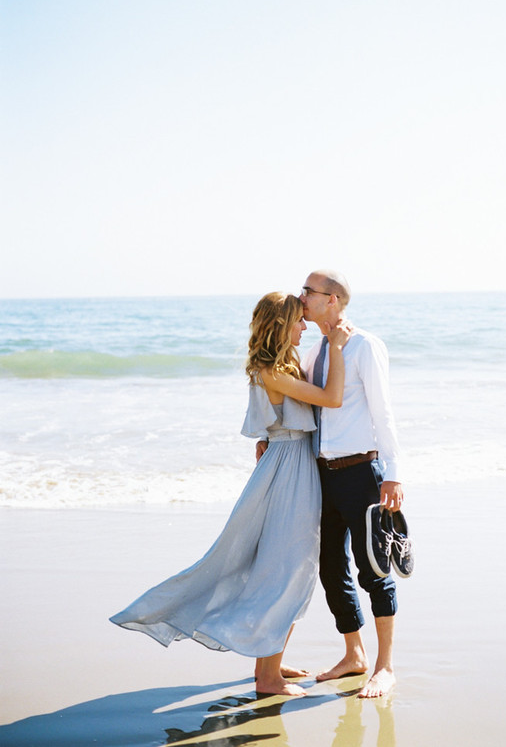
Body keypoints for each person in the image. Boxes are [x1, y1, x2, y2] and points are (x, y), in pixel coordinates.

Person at [110, 292, 350, 697]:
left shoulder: (276, 365)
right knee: (288, 570)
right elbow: (332, 398)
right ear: (281, 325)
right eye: (298, 322)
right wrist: (338, 348)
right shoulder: (271, 370)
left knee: (288, 567)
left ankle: (268, 660)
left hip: (288, 463)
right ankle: (268, 678)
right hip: (289, 470)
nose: (304, 328)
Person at [300, 269, 404, 699]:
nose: (301, 296)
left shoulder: (365, 345)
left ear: (334, 300)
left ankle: (385, 667)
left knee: (374, 570)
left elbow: (383, 411)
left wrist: (394, 472)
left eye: (309, 291)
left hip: (363, 473)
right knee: (330, 569)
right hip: (323, 474)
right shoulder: (314, 351)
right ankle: (354, 654)